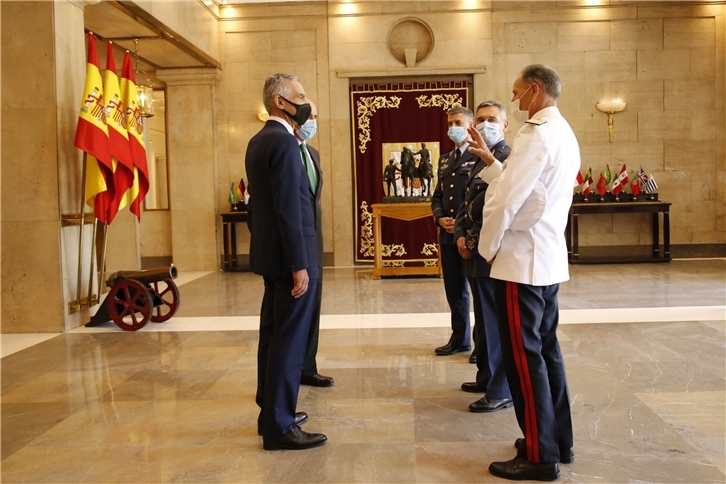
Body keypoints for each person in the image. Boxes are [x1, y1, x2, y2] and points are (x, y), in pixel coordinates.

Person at [468, 64, 579, 481]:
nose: (514, 102)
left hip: (520, 262)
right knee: (547, 354)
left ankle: (537, 456)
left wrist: (488, 250)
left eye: (516, 95)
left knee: (523, 359)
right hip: (547, 260)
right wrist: (492, 165)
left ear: (535, 91)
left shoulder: (535, 133)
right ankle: (556, 441)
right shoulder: (563, 131)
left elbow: (506, 203)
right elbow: (534, 190)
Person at [245, 73, 327, 451]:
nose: (306, 102)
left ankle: (271, 413)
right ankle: (279, 425)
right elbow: (289, 210)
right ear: (281, 102)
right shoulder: (285, 143)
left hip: (270, 256)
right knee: (289, 343)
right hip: (292, 257)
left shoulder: (259, 140)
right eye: (301, 95)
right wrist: (299, 263)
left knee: (273, 337)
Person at [454, 101, 512, 413]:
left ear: (505, 125)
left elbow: (502, 206)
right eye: (480, 119)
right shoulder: (476, 157)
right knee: (484, 323)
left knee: (495, 322)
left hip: (493, 254)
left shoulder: (506, 156)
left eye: (492, 119)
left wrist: (482, 243)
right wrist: (460, 235)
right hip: (473, 250)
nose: (485, 124)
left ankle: (500, 389)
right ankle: (486, 376)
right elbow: (467, 203)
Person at [431, 106, 478, 357]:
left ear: (470, 125)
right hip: (447, 235)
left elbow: (477, 197)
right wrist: (440, 219)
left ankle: (481, 345)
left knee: (478, 291)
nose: (452, 128)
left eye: (458, 122)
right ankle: (459, 338)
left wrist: (459, 224)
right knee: (454, 288)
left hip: (470, 234)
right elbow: (438, 195)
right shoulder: (445, 158)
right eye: (450, 123)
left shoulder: (478, 155)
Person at [294, 101, 335, 388]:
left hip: (314, 245)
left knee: (313, 311)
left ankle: (308, 366)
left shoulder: (313, 153)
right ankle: (292, 370)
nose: (313, 122)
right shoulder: (283, 151)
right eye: (310, 116)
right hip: (294, 250)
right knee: (294, 317)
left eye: (317, 117)